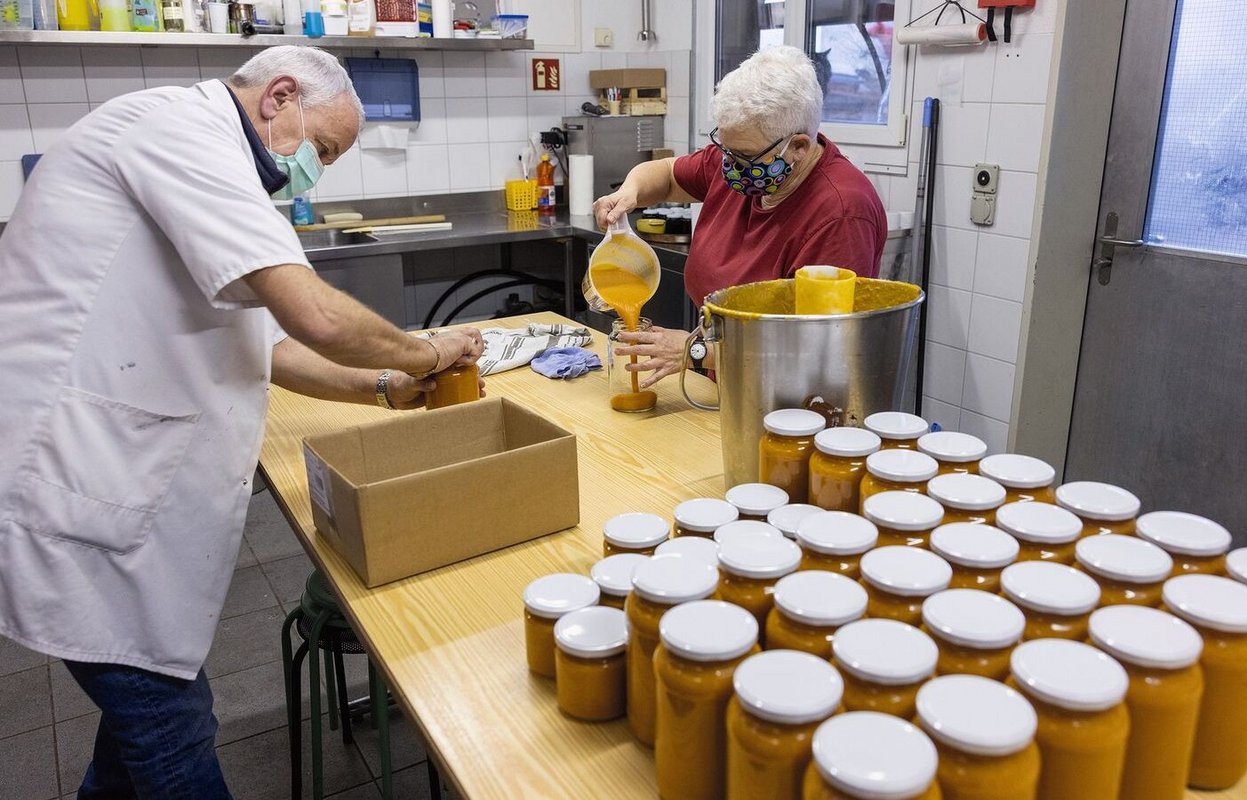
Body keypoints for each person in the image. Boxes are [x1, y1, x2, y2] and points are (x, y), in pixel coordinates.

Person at [0, 46, 482, 798]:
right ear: (280, 96)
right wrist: (424, 353)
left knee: (135, 745)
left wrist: (383, 385)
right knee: (174, 735)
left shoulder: (203, 155)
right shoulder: (177, 133)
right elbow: (314, 315)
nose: (316, 170)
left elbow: (272, 348)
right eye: (322, 148)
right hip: (81, 489)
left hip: (120, 492)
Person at [593, 45, 888, 386]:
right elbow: (669, 174)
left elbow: (816, 350)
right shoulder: (740, 164)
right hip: (727, 386)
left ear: (798, 147)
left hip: (792, 405)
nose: (730, 165)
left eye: (744, 154)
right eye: (725, 149)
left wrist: (695, 350)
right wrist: (630, 192)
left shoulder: (842, 214)